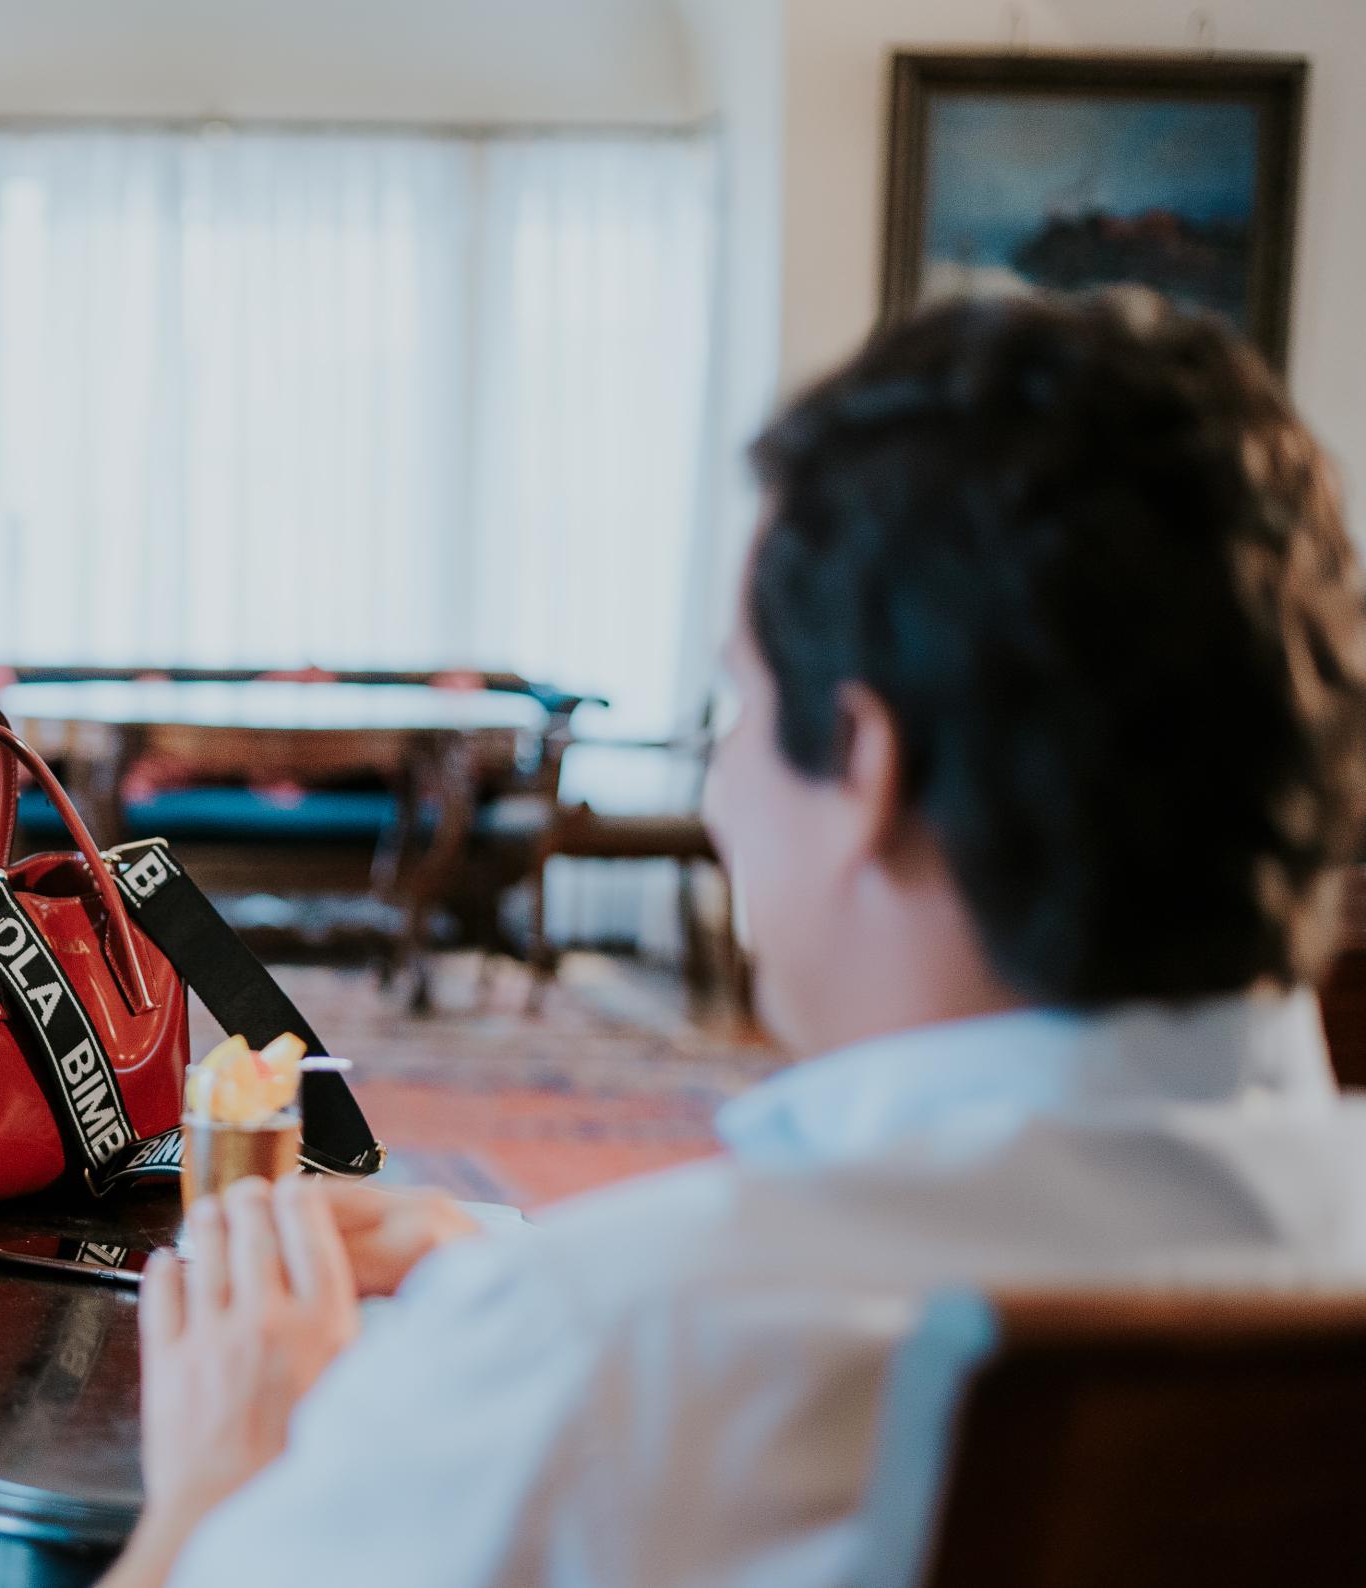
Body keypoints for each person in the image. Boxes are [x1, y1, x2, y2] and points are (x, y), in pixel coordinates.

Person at [104, 288, 1366, 1587]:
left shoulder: (586, 1365)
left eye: (738, 716)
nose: (718, 791)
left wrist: (220, 1478)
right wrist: (503, 1260)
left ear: (863, 761)